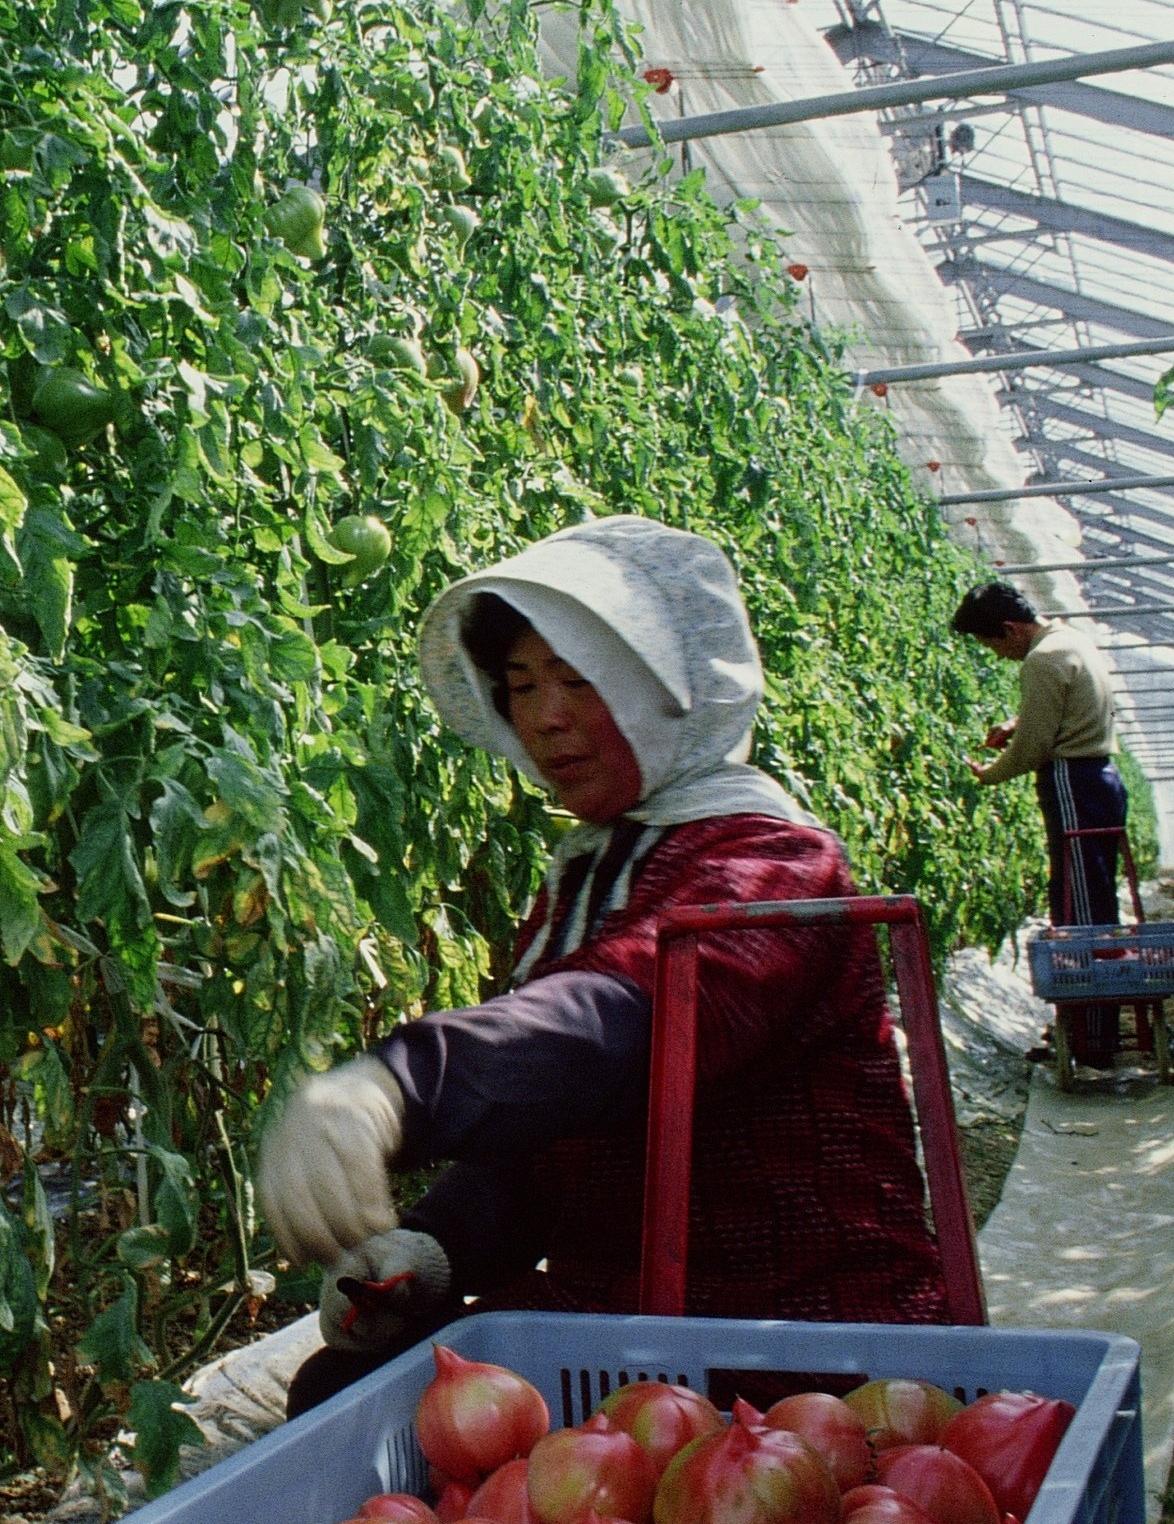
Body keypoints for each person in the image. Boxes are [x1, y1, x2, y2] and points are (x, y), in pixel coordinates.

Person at [256, 516, 952, 1417]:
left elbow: (628, 1022)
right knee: (343, 1393)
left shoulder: (777, 869)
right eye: (520, 686)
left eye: (581, 680)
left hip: (801, 1353)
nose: (547, 718)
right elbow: (556, 1145)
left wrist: (396, 1086)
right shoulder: (589, 879)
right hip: (626, 1332)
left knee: (380, 1418)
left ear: (670, 692)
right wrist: (428, 1251)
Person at [949, 581, 1130, 1071]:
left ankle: (1092, 1036)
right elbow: (1062, 710)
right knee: (1093, 898)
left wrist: (989, 774)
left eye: (992, 644)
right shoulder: (1070, 641)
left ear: (1010, 629)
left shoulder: (1041, 660)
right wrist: (1016, 721)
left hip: (1074, 780)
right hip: (1100, 779)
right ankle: (1094, 1027)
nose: (997, 655)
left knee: (1078, 908)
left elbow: (1035, 749)